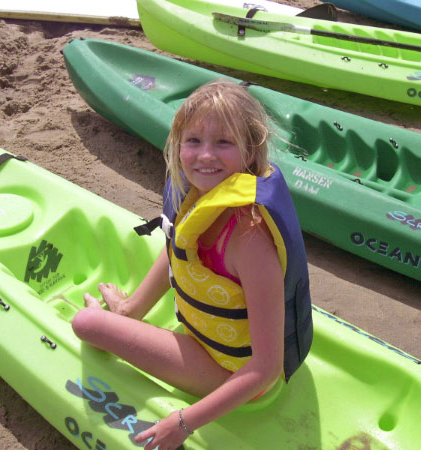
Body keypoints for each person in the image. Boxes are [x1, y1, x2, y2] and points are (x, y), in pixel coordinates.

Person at [72, 79, 313, 449]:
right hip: (205, 340)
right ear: (178, 145)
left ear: (250, 151)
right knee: (105, 318)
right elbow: (176, 250)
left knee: (86, 322)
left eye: (224, 143)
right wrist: (130, 310)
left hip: (232, 373)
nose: (205, 156)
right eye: (194, 141)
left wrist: (183, 422)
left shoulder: (248, 238)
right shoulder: (198, 195)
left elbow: (264, 368)